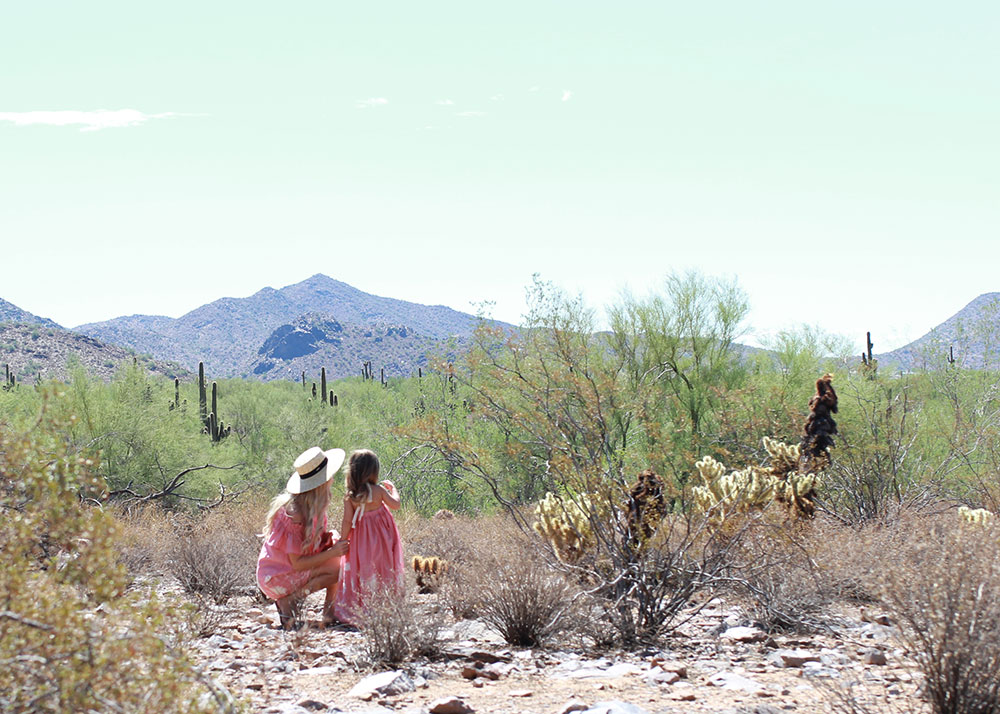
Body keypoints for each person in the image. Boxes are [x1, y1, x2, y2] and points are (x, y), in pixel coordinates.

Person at [257, 446, 350, 629]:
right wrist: (331, 552)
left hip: (279, 572)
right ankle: (289, 601)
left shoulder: (313, 506)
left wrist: (327, 541)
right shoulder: (295, 514)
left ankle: (329, 614)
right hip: (276, 577)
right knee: (337, 567)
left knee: (338, 562)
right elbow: (298, 563)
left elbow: (308, 548)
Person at [333, 449, 404, 625]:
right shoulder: (378, 491)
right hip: (382, 538)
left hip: (360, 540)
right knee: (383, 567)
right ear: (373, 471)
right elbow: (395, 505)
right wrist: (393, 489)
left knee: (363, 567)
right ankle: (384, 604)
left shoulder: (351, 496)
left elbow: (347, 521)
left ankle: (362, 605)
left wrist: (343, 540)